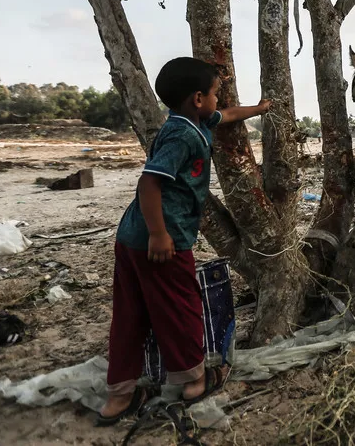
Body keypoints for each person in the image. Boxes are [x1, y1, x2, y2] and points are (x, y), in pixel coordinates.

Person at [97, 57, 271, 426]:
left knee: (130, 315)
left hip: (130, 238)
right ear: (197, 98)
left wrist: (260, 108)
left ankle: (119, 397)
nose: (217, 99)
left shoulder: (191, 122)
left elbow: (227, 115)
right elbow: (149, 183)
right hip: (162, 240)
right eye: (213, 93)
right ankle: (193, 382)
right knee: (181, 308)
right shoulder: (180, 136)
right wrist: (160, 234)